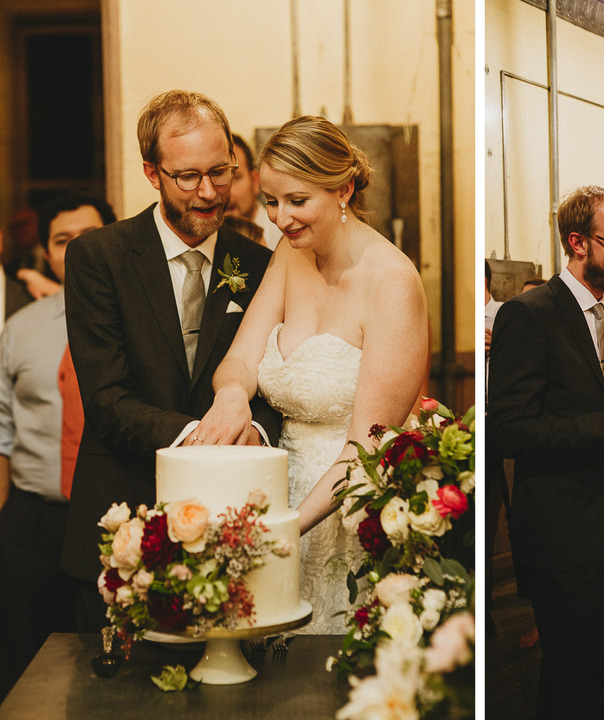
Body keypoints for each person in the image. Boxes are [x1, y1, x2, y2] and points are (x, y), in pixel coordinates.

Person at [192, 116, 429, 635]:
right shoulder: (290, 253)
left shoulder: (392, 281)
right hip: (274, 489)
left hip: (345, 509)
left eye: (297, 201)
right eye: (271, 201)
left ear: (343, 189)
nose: (281, 218)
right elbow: (239, 359)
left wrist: (287, 529)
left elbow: (367, 445)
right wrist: (231, 395)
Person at [60, 90, 281, 631]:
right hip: (124, 517)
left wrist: (254, 430)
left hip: (230, 523)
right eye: (187, 177)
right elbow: (107, 399)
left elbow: (277, 383)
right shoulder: (99, 257)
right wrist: (205, 438)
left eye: (220, 172)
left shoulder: (260, 264)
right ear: (151, 173)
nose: (208, 192)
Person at [488, 186, 604, 720]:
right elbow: (509, 430)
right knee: (580, 668)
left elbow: (602, 401)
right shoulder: (527, 313)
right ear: (577, 242)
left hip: (601, 516)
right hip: (556, 524)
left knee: (574, 670)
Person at [0, 192, 115, 700]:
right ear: (46, 254)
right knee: (24, 665)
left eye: (90, 237)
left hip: (115, 521)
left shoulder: (141, 322)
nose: (78, 250)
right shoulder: (20, 329)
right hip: (35, 522)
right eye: (63, 241)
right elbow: (2, 424)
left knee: (106, 666)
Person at [227, 133, 283, 250]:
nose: (226, 192)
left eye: (234, 178)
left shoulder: (284, 235)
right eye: (216, 178)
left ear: (255, 180)